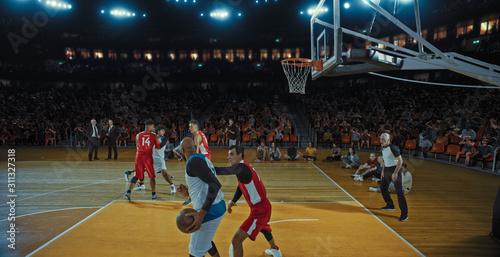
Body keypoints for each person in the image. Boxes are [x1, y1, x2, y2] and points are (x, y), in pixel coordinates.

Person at [214, 145, 282, 257]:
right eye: (228, 154)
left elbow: (223, 171)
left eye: (231, 154)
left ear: (239, 155)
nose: (228, 157)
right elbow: (241, 185)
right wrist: (233, 200)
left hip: (259, 210)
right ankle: (275, 250)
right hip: (264, 206)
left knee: (236, 240)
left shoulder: (241, 168)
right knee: (264, 229)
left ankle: (275, 250)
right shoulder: (243, 167)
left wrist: (205, 166)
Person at [176, 137, 226, 257]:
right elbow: (204, 185)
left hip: (210, 212)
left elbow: (215, 184)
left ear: (182, 150)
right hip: (216, 206)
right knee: (204, 240)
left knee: (195, 252)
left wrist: (201, 214)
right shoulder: (201, 158)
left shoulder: (193, 163)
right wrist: (188, 194)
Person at [124, 119, 161, 201]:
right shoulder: (154, 135)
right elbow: (158, 147)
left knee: (137, 175)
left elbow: (137, 146)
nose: (153, 128)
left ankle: (128, 192)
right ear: (149, 126)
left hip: (139, 156)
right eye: (153, 126)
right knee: (151, 176)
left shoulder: (138, 135)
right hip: (147, 157)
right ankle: (153, 193)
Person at [379, 133, 408, 222]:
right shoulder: (383, 148)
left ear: (388, 140)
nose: (382, 141)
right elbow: (384, 161)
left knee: (399, 192)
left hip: (395, 169)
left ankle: (404, 214)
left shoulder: (393, 148)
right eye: (381, 139)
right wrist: (383, 171)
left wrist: (395, 173)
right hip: (387, 169)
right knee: (383, 187)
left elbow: (400, 161)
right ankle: (390, 205)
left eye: (384, 139)